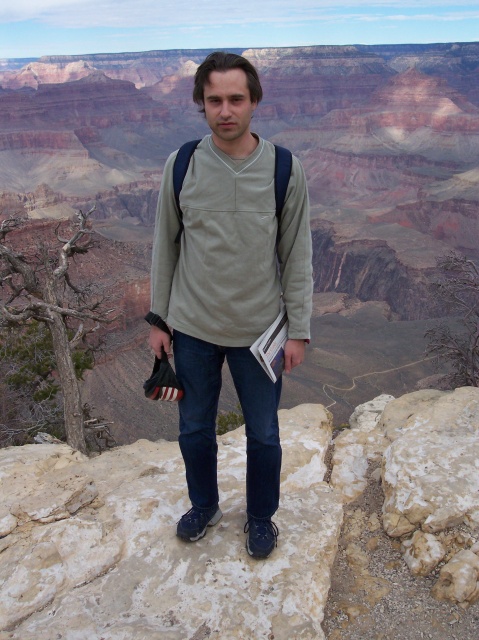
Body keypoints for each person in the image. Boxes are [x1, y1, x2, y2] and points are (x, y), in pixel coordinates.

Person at [146, 51, 313, 559]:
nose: (225, 110)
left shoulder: (284, 168)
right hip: (192, 327)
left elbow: (297, 253)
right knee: (194, 428)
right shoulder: (183, 164)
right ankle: (204, 505)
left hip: (259, 331)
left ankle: (260, 517)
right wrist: (159, 319)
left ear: (254, 101)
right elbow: (165, 245)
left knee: (264, 433)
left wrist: (299, 329)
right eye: (214, 100)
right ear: (201, 103)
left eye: (236, 99)